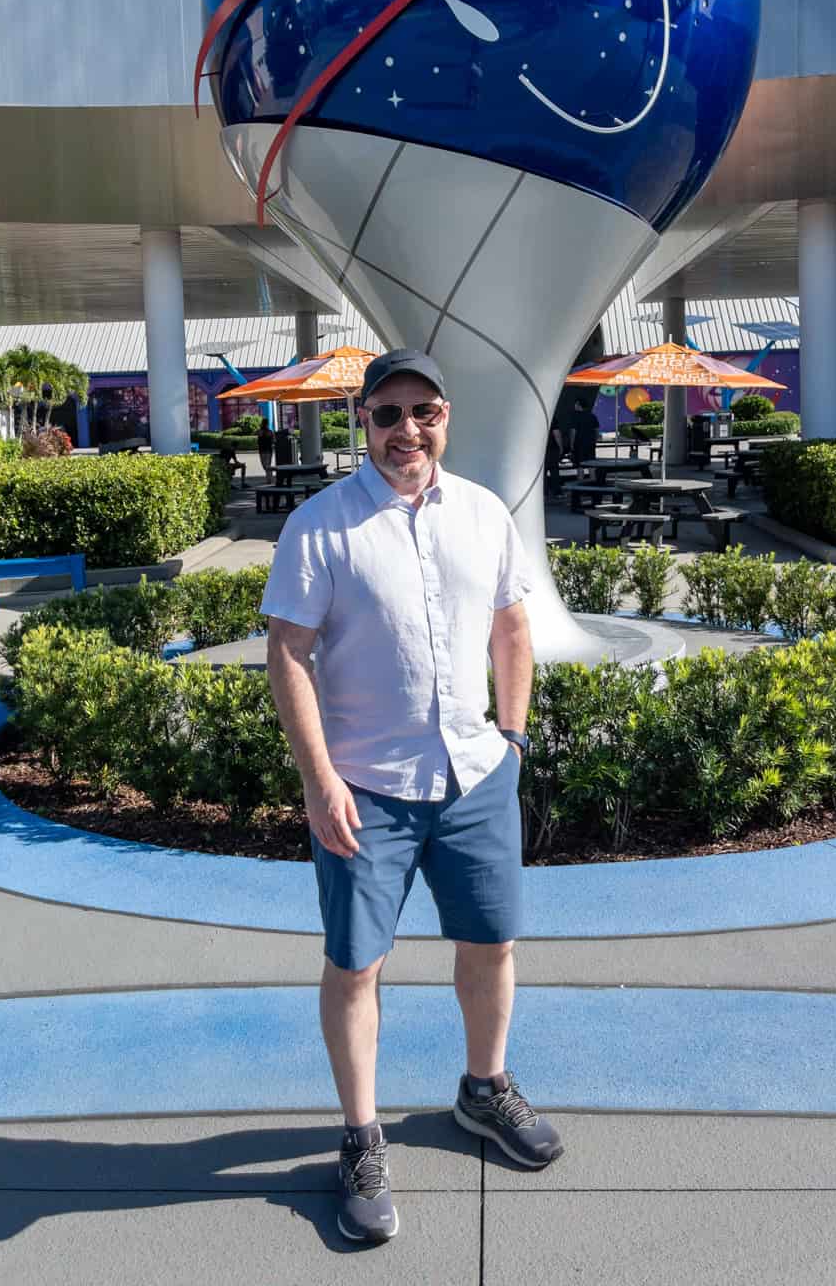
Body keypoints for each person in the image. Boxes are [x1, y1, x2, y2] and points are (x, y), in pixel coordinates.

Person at [263, 347, 563, 1247]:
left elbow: (514, 624)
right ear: (364, 422)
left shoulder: (482, 513)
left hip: (474, 775)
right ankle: (360, 1138)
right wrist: (320, 780)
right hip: (367, 789)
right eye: (388, 413)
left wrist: (510, 736)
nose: (407, 430)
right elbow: (288, 654)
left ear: (446, 417)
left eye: (424, 411)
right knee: (357, 965)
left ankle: (484, 1090)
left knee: (491, 942)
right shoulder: (321, 525)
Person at [567, 397, 600, 464]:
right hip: (590, 444)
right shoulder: (592, 416)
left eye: (575, 404)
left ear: (579, 405)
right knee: (592, 465)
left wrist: (571, 444)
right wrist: (594, 441)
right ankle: (593, 475)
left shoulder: (575, 416)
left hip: (579, 444)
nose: (574, 406)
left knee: (580, 466)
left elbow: (573, 431)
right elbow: (597, 430)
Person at [256, 412, 275, 478]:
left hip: (262, 450)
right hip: (268, 450)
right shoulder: (270, 432)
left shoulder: (260, 432)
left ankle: (269, 478)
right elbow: (273, 441)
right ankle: (269, 476)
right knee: (267, 465)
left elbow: (258, 438)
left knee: (264, 465)